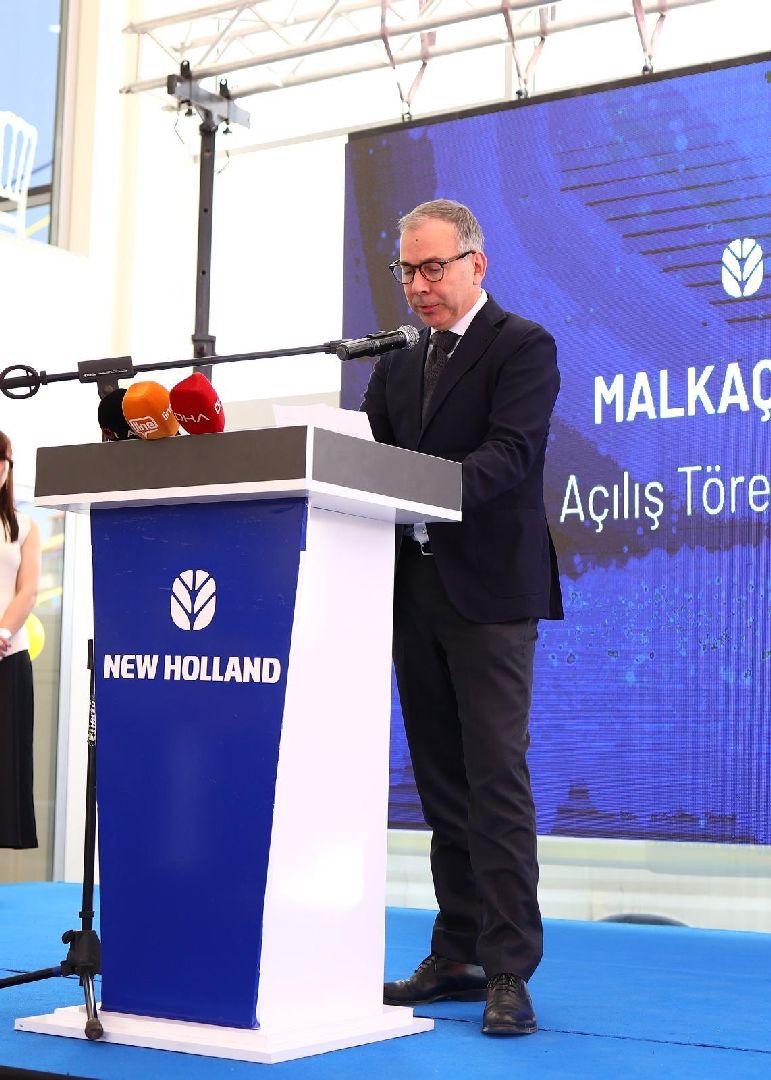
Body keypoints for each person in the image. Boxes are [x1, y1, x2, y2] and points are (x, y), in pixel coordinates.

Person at [362, 199, 563, 1036]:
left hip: (489, 596)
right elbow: (365, 460)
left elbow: (509, 456)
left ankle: (508, 968)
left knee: (494, 782)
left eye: (432, 267)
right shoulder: (395, 363)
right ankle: (457, 953)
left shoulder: (522, 345)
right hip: (412, 591)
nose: (418, 285)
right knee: (442, 785)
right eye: (406, 270)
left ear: (476, 264)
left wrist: (416, 491)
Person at [0, 431, 41, 850]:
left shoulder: (25, 525)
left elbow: (28, 591)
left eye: (4, 460)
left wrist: (2, 633)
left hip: (9, 656)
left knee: (7, 767)